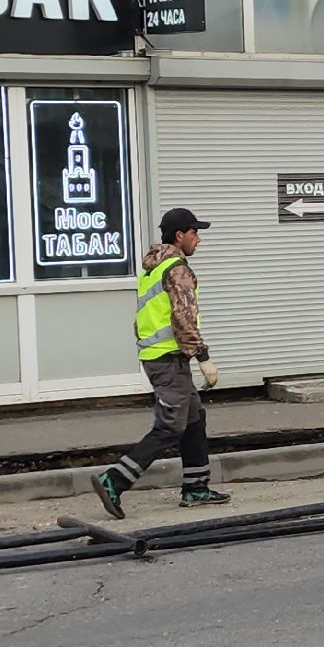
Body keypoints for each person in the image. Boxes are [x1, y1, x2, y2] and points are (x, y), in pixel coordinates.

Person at [89, 208, 230, 518]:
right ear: (180, 235)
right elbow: (183, 317)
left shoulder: (153, 267)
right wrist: (203, 358)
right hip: (169, 359)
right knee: (170, 426)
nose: (198, 239)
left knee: (194, 418)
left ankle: (196, 487)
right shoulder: (177, 269)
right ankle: (114, 480)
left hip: (159, 356)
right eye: (194, 232)